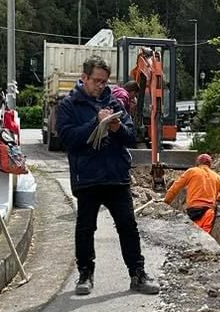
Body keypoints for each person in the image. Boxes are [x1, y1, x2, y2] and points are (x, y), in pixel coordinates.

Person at [54, 57, 160, 296]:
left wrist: (117, 128)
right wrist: (95, 122)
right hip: (88, 177)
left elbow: (131, 136)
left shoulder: (114, 103)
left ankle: (137, 274)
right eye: (96, 81)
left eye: (104, 81)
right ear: (84, 78)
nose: (100, 86)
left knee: (128, 227)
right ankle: (85, 275)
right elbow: (67, 139)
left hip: (116, 175)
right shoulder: (69, 105)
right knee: (85, 228)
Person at [163, 153, 220, 235]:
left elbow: (175, 187)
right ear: (210, 164)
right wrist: (218, 198)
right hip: (208, 212)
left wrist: (166, 201)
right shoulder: (216, 176)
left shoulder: (192, 171)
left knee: (192, 236)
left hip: (193, 210)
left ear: (198, 163)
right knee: (204, 238)